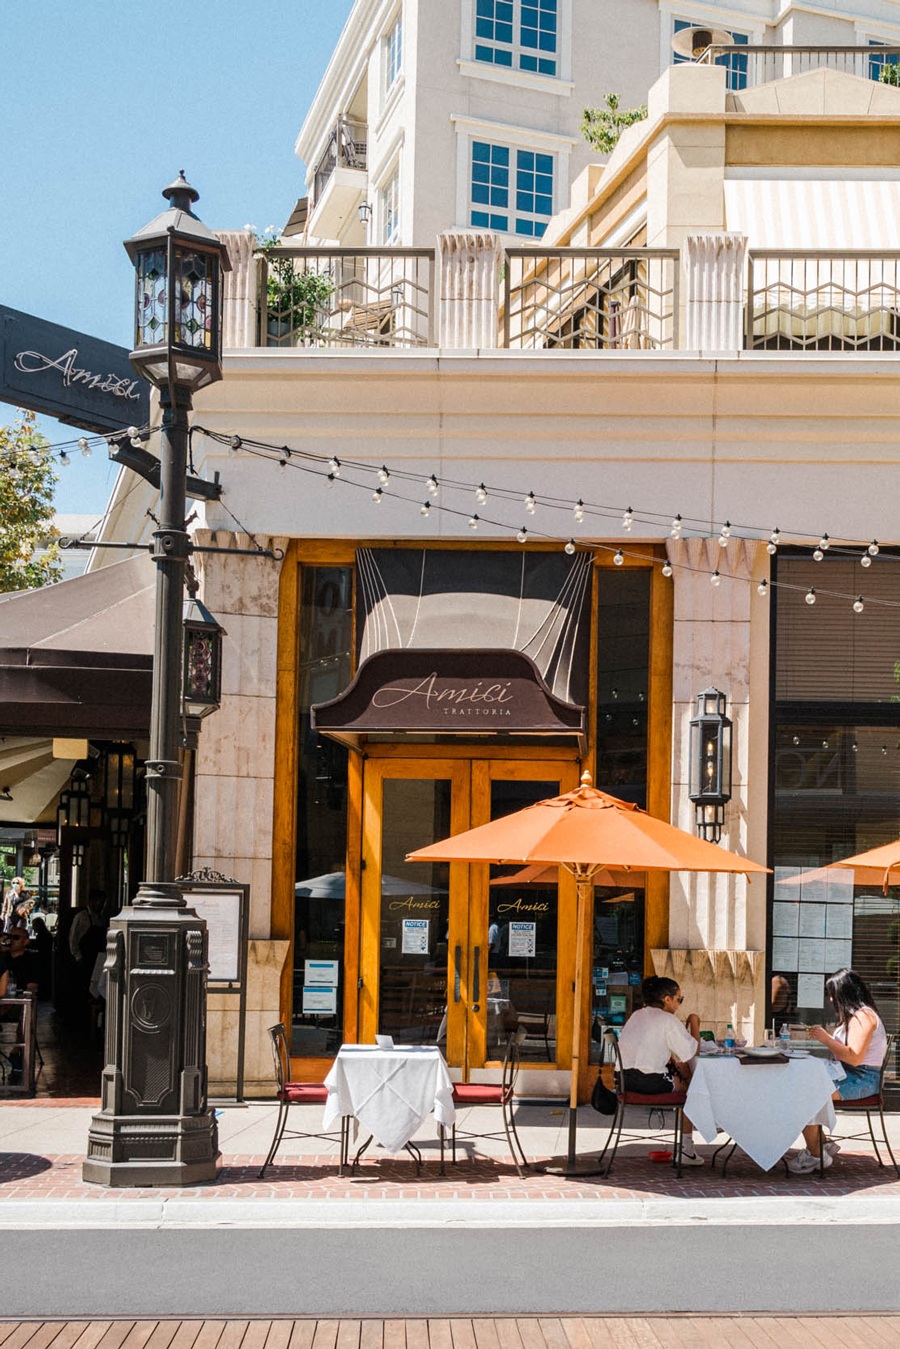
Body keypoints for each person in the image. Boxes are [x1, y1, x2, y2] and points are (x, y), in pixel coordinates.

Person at [787, 967, 888, 1174]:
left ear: (844, 993)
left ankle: (816, 1155)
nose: (831, 1000)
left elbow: (854, 1056)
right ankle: (821, 1144)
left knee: (805, 1094)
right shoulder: (855, 1016)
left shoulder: (864, 1017)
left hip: (862, 1079)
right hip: (849, 1074)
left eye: (832, 995)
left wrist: (826, 1039)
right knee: (801, 1084)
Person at [617, 974, 705, 1165]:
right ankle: (687, 1149)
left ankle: (688, 1146)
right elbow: (692, 1052)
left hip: (623, 1080)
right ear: (667, 999)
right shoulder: (667, 1020)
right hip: (648, 1081)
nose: (679, 1004)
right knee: (692, 1087)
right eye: (679, 999)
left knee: (682, 1075)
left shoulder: (636, 1015)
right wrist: (694, 1022)